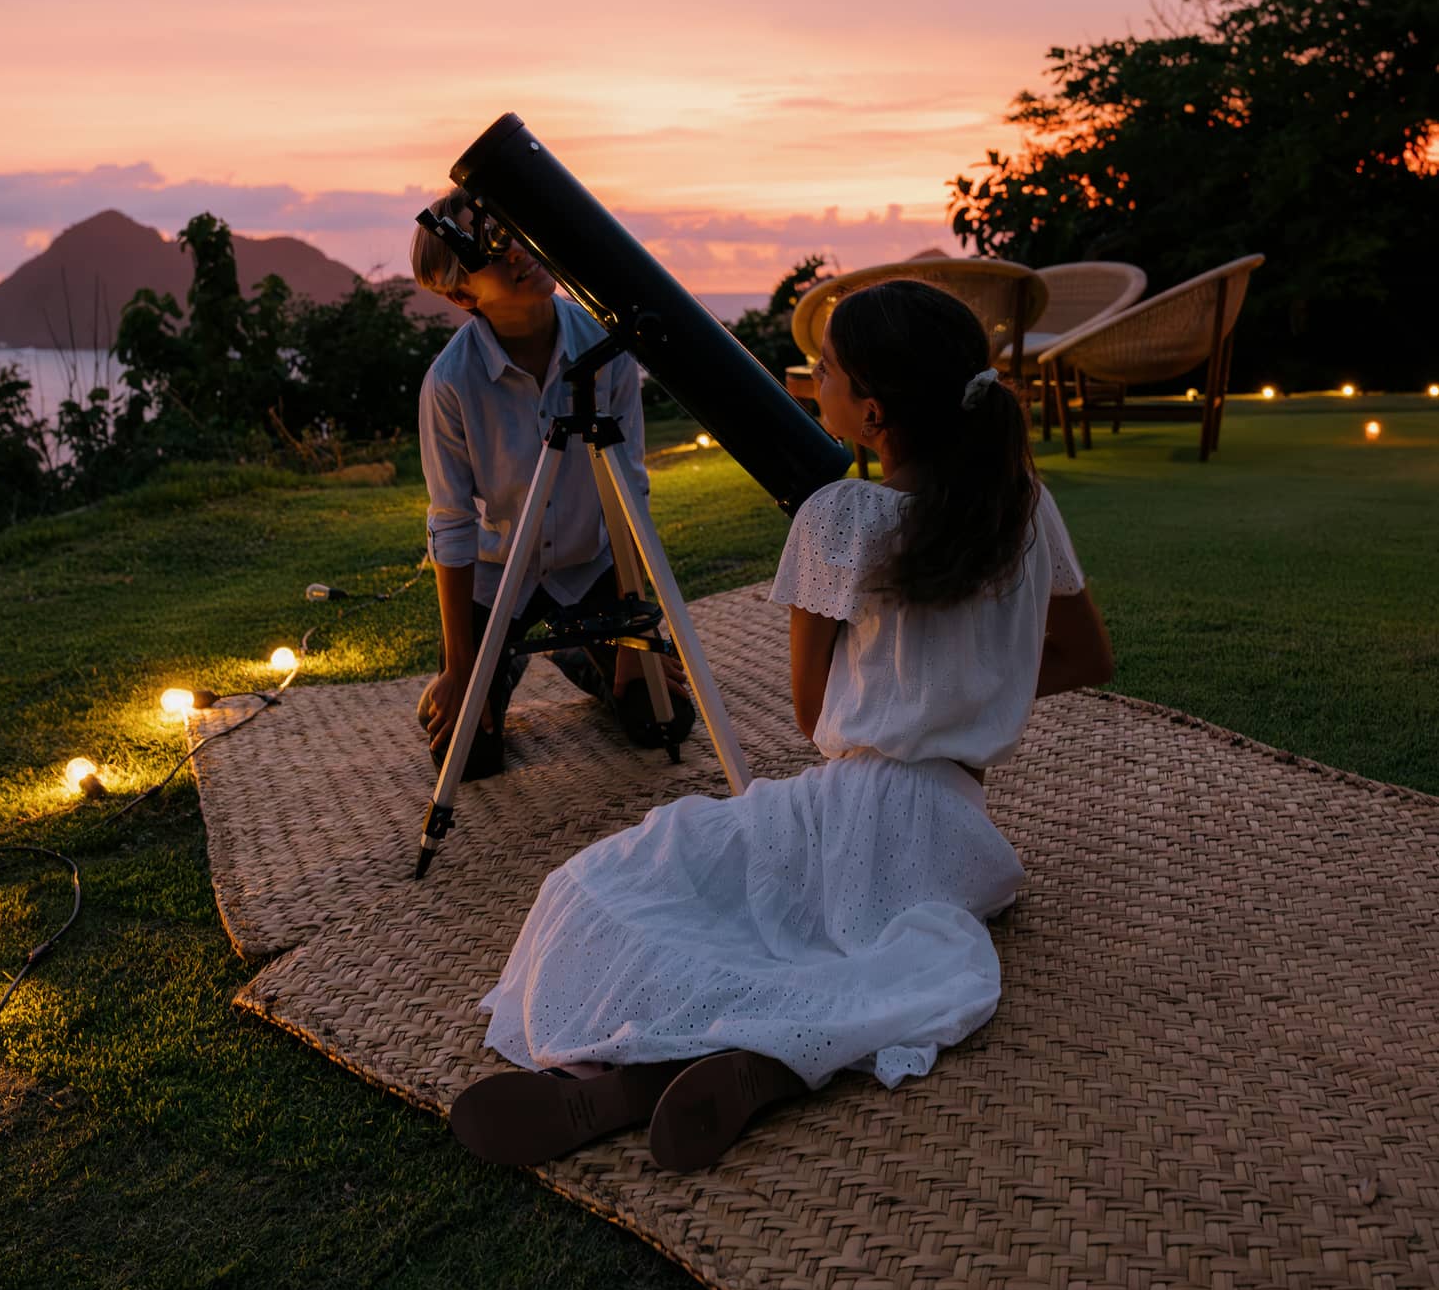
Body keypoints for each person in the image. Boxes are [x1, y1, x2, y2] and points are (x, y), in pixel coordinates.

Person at [448, 278, 1114, 1171]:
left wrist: (917, 700)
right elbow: (1086, 657)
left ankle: (641, 1060)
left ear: (869, 413)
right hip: (958, 836)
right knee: (833, 948)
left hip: (855, 806)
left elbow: (811, 716)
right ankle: (755, 1059)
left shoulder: (839, 516)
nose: (812, 378)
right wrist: (969, 695)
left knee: (613, 885)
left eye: (826, 368)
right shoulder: (1023, 506)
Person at [412, 192, 694, 779]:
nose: (516, 250)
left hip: (587, 566)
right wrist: (462, 666)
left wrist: (633, 630)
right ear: (463, 295)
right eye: (489, 245)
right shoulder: (450, 383)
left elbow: (627, 490)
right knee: (469, 757)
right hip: (498, 575)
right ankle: (483, 669)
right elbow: (451, 523)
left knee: (661, 719)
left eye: (513, 230)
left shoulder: (605, 349)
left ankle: (576, 649)